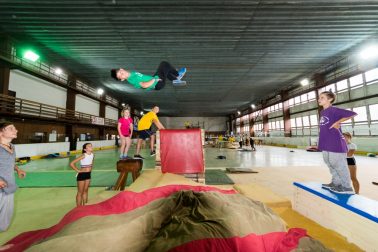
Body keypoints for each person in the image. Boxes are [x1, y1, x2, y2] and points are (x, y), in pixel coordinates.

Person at [318, 91, 357, 194]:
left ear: (330, 99)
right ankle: (336, 183)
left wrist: (338, 122)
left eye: (322, 98)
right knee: (329, 163)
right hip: (325, 143)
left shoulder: (334, 110)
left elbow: (353, 114)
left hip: (335, 142)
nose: (319, 99)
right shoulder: (322, 112)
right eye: (319, 97)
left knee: (338, 164)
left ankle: (347, 187)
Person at [0, 120, 26, 232]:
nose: (16, 130)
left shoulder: (12, 146)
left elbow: (10, 162)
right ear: (1, 132)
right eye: (11, 128)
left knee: (4, 218)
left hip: (8, 186)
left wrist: (18, 169)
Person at [110, 61, 186, 90]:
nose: (122, 74)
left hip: (155, 80)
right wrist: (154, 80)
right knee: (164, 64)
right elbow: (144, 85)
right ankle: (177, 75)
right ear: (122, 79)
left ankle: (175, 79)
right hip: (157, 83)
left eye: (120, 72)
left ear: (121, 69)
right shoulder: (132, 79)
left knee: (166, 70)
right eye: (120, 76)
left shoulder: (131, 75)